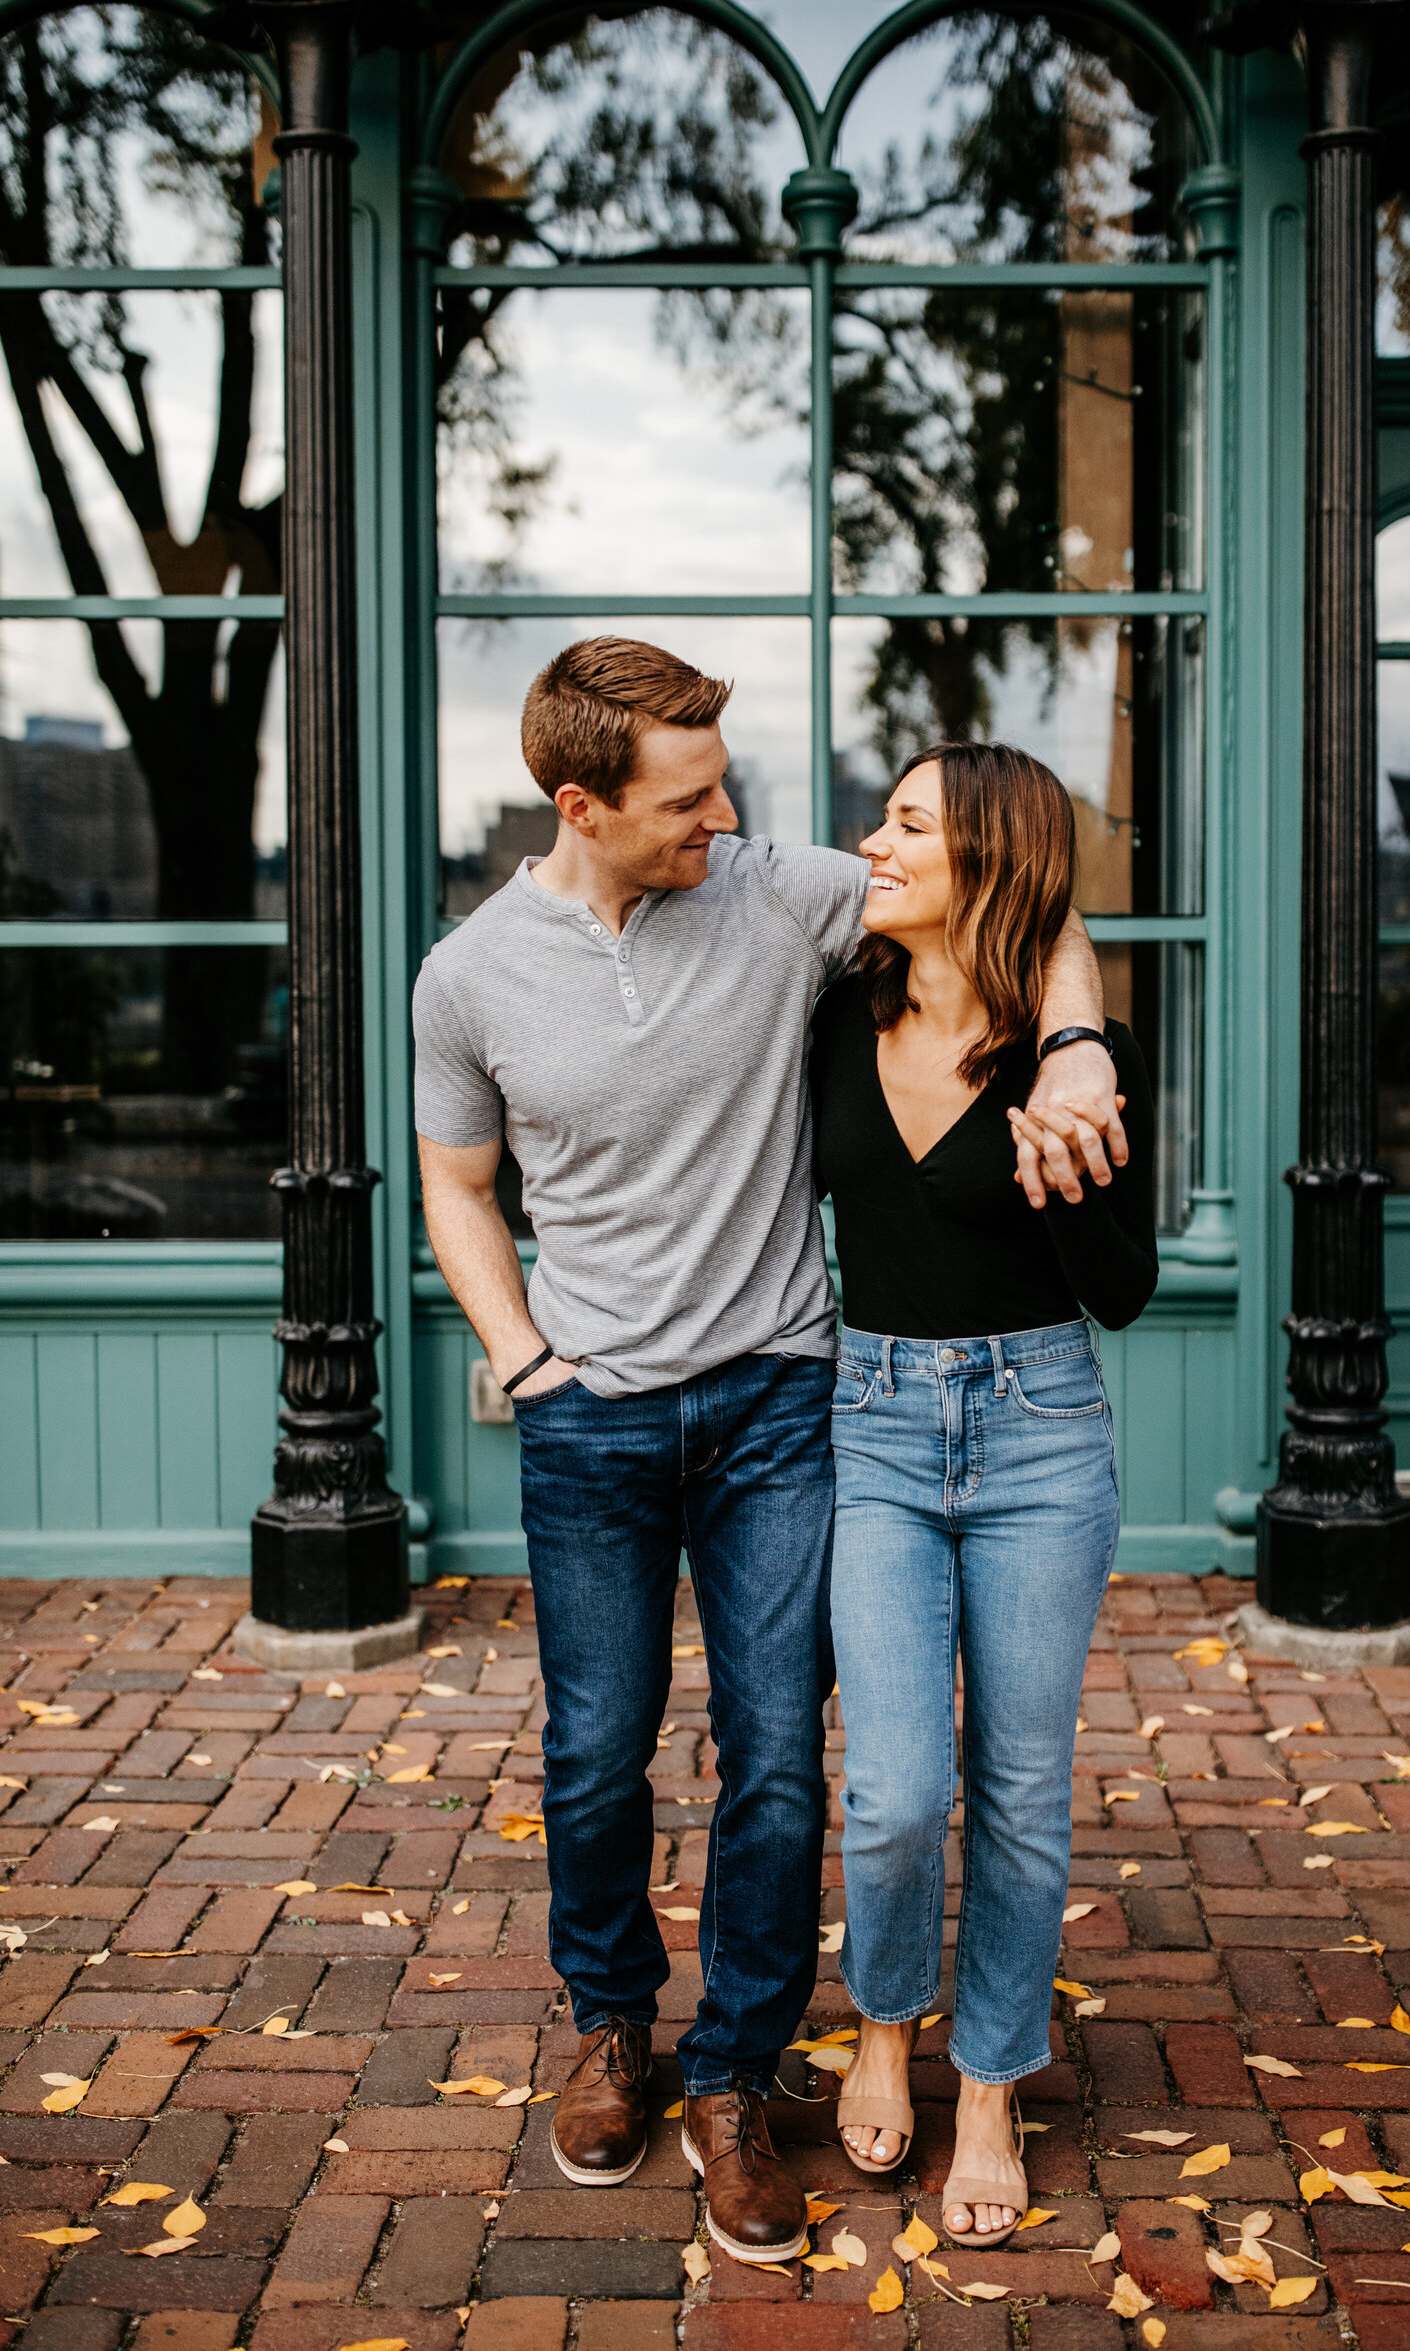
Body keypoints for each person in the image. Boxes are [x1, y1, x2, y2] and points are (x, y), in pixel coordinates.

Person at [412, 639, 1123, 2264]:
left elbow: (1026, 905)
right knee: (597, 1747)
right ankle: (614, 2031)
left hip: (782, 1403)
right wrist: (527, 1363)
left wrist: (1078, 1049)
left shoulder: (773, 889)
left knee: (780, 1758)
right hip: (590, 1419)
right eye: (689, 797)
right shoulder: (466, 978)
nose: (726, 818)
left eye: (724, 786)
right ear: (582, 803)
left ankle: (733, 2070)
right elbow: (458, 1187)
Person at [811, 739, 1157, 2244]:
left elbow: (1126, 1294)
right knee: (893, 1793)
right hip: (874, 1422)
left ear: (987, 866)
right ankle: (886, 2017)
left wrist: (1062, 1169)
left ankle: (995, 2078)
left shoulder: (1075, 1059)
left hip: (1037, 1429)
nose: (872, 846)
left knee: (1018, 1787)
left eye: (906, 827)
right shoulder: (834, 1007)